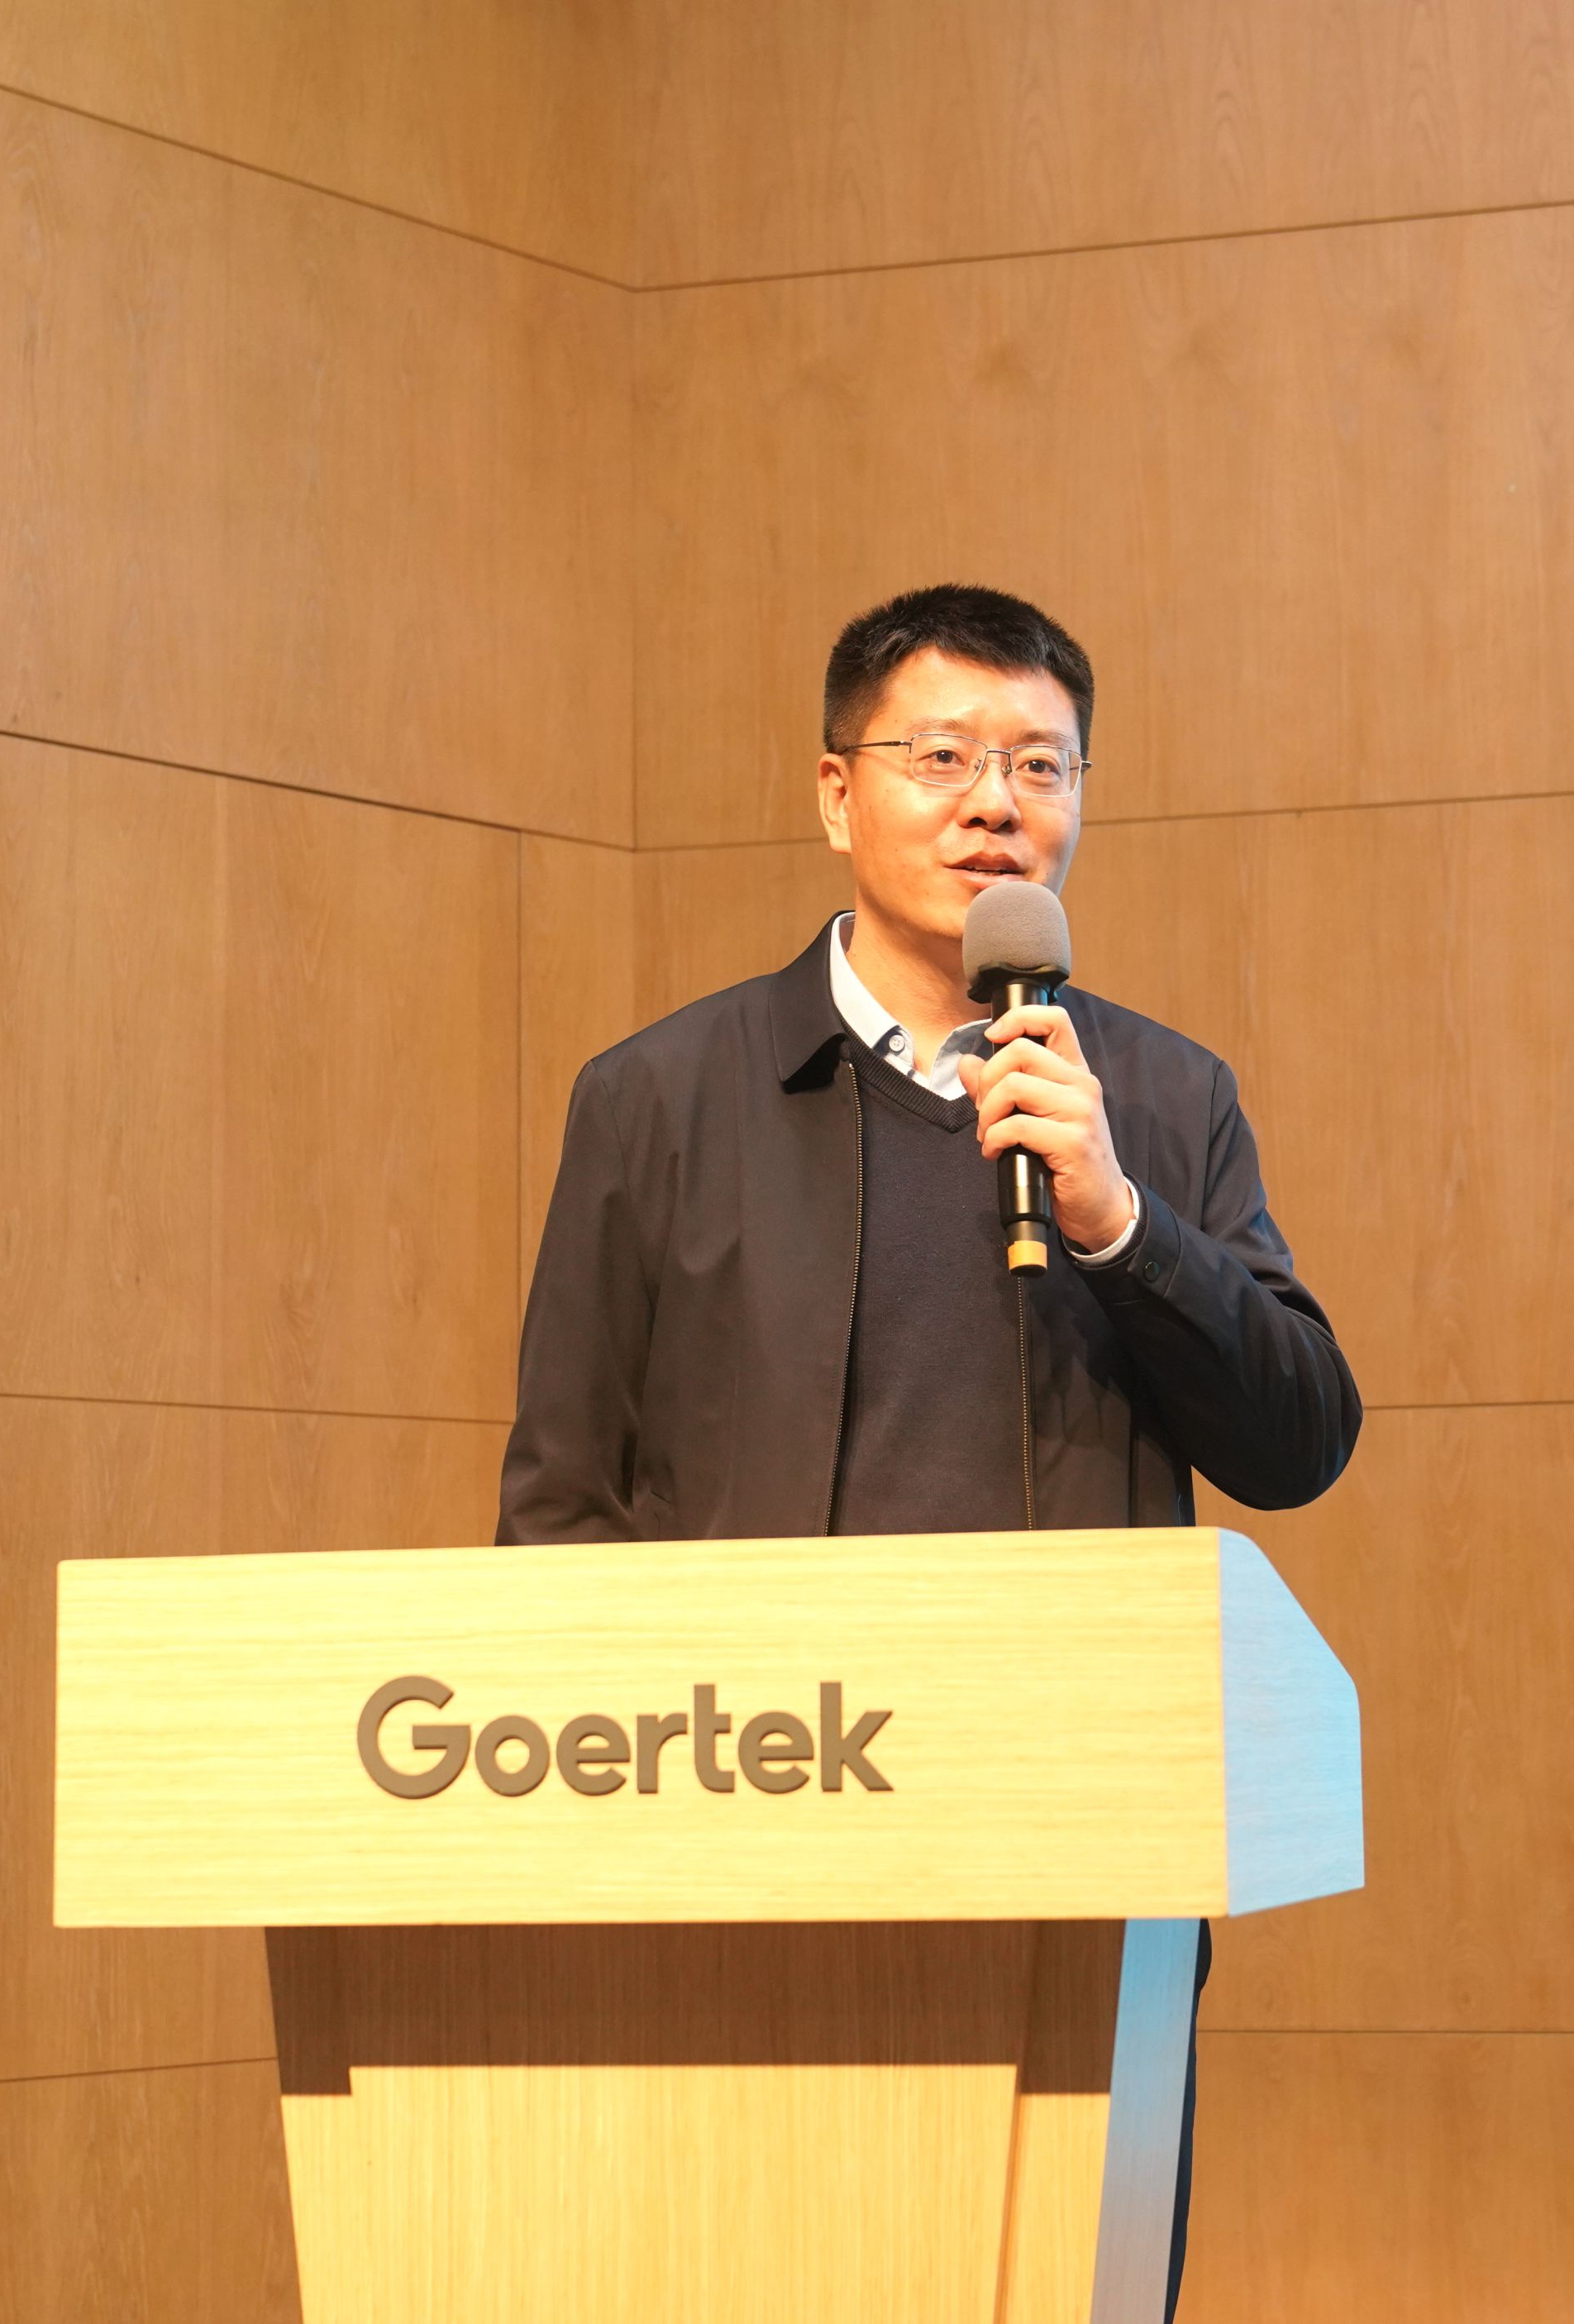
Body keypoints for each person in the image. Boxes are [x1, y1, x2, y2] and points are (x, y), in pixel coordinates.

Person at [497, 583, 1362, 2310]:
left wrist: (1123, 1222)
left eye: (1041, 765)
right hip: (749, 1835)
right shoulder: (660, 1098)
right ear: (837, 792)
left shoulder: (1160, 1100)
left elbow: (1297, 1435)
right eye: (945, 758)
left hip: (1078, 1839)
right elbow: (562, 1508)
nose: (996, 805)